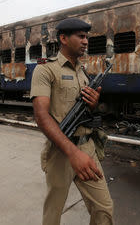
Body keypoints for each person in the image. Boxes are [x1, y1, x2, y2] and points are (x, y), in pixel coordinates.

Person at [31, 18, 114, 225]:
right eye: (81, 36)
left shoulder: (83, 72)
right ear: (64, 39)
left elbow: (86, 112)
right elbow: (41, 116)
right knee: (53, 213)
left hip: (87, 148)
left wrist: (93, 105)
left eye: (86, 37)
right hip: (61, 151)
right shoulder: (45, 69)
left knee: (104, 208)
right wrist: (72, 152)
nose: (86, 41)